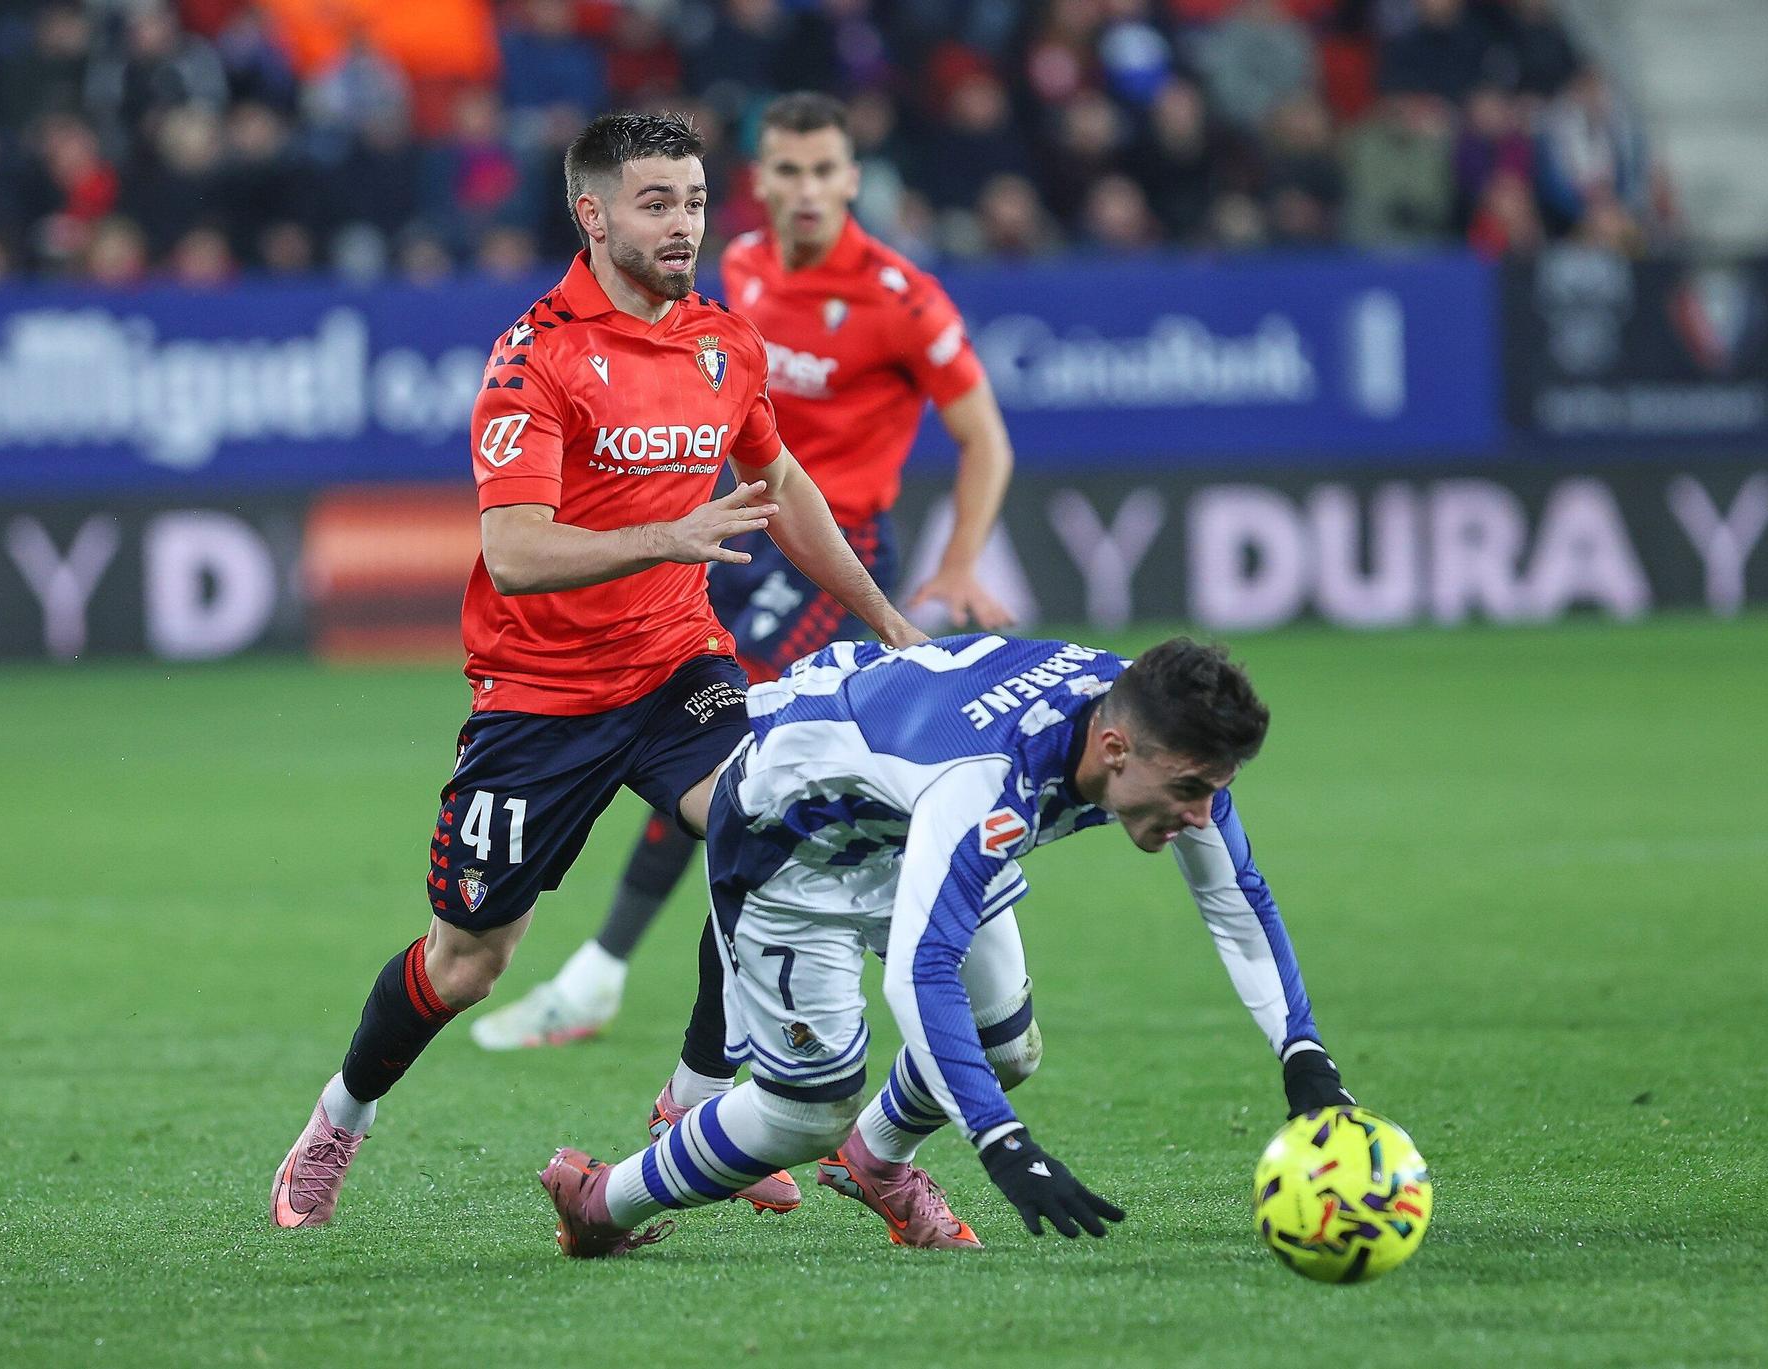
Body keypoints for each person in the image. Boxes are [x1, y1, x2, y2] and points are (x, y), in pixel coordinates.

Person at [270, 111, 923, 1229]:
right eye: (656, 203)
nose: (683, 225)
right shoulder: (537, 358)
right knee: (469, 958)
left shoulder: (724, 342)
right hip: (540, 699)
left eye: (696, 201)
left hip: (678, 664)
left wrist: (886, 620)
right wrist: (666, 536)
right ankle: (338, 1117)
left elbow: (787, 492)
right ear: (593, 213)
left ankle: (694, 1104)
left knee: (762, 825)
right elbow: (515, 554)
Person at [472, 91, 1017, 1054]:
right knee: (718, 762)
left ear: (854, 178)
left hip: (818, 554)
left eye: (825, 171)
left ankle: (626, 991)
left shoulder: (901, 297)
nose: (806, 191)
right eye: (787, 172)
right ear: (759, 183)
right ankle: (662, 1007)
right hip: (715, 533)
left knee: (731, 764)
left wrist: (952, 568)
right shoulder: (735, 281)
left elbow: (984, 439)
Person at [535, 635, 1357, 1256]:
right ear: (1113, 750)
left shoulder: (1147, 719)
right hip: (790, 845)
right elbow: (923, 974)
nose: (1200, 814)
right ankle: (602, 1201)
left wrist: (1304, 1055)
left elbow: (1233, 893)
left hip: (903, 817)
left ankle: (878, 1157)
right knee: (805, 1111)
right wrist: (1003, 1143)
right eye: (1189, 792)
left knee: (1007, 1045)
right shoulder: (984, 780)